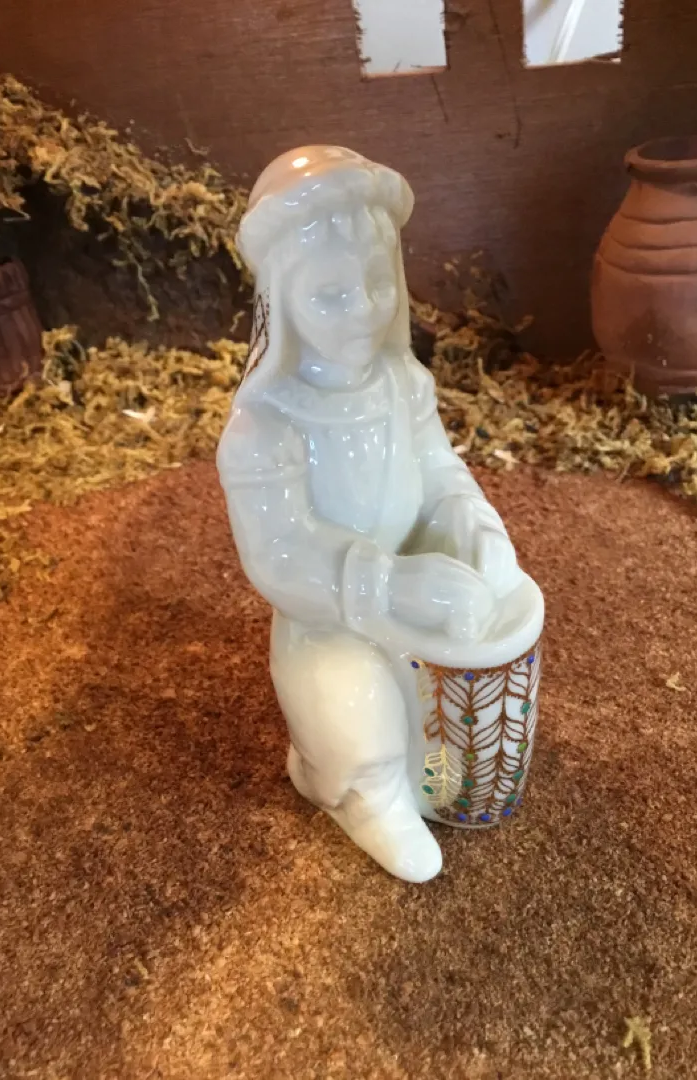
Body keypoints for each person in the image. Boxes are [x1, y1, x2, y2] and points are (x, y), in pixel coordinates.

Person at [217, 146, 521, 881]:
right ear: (282, 300)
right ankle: (362, 791)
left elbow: (437, 467)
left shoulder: (403, 383)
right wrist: (390, 587)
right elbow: (281, 555)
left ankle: (419, 774)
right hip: (329, 620)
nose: (363, 310)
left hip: (416, 578)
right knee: (357, 713)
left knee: (471, 704)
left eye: (378, 283)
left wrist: (472, 520)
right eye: (329, 295)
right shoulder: (265, 425)